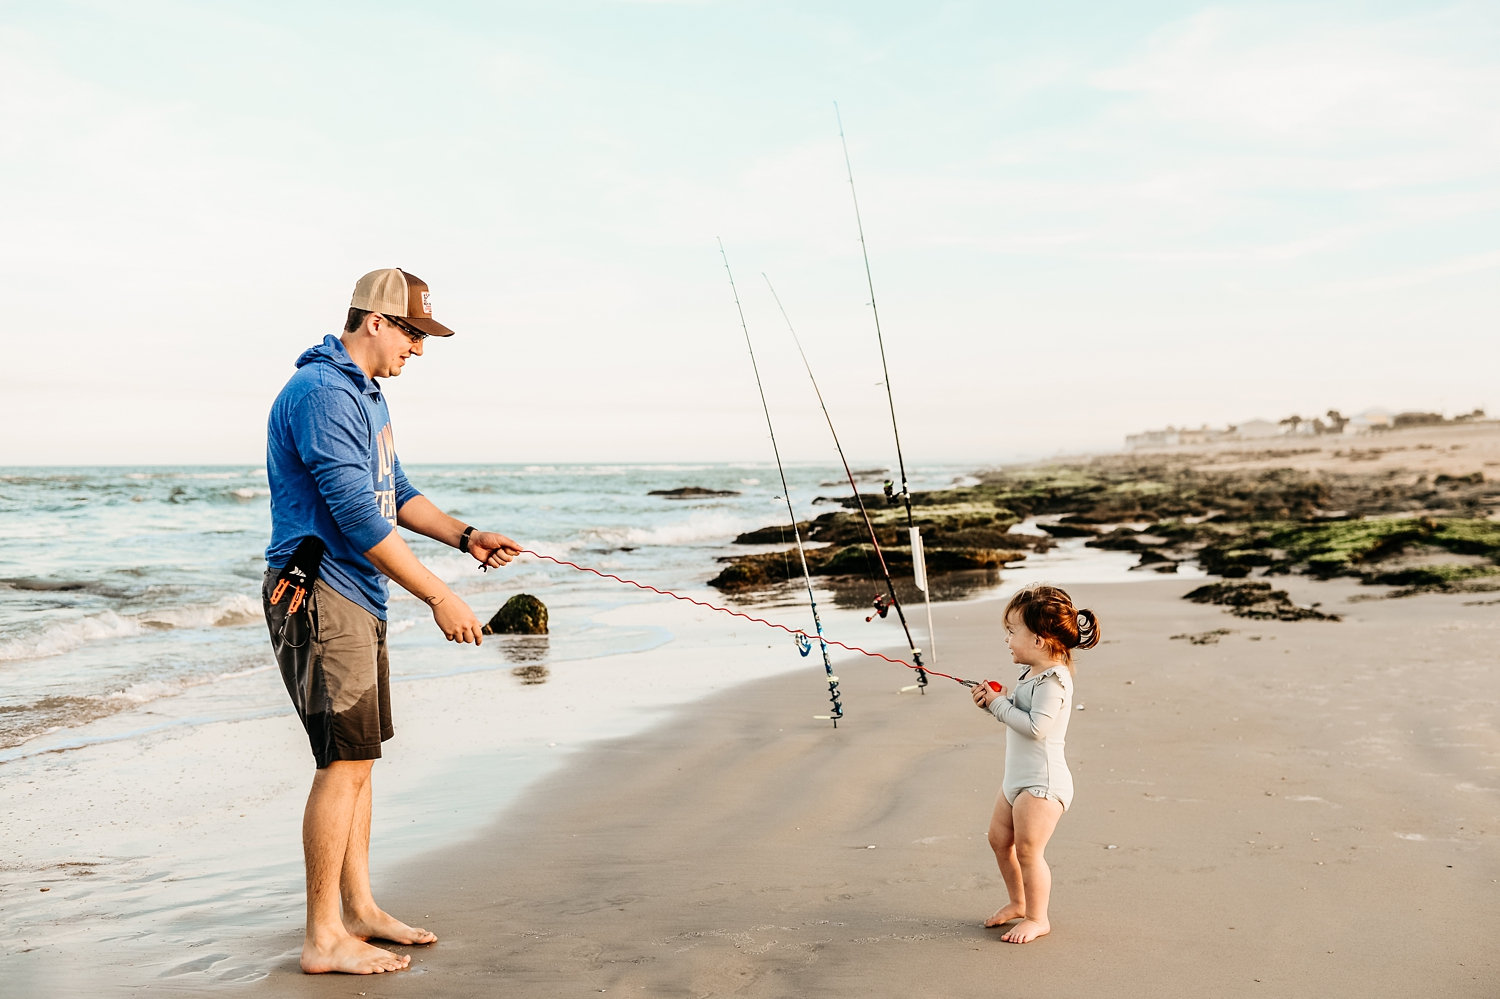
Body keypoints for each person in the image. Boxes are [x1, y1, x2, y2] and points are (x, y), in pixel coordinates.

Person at [262, 267, 522, 975]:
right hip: (319, 592)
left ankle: (361, 909)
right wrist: (440, 594)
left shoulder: (366, 395)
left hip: (358, 593)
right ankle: (322, 935)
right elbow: (352, 511)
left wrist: (467, 536)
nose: (419, 348)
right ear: (375, 321)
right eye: (413, 331)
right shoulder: (321, 393)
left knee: (360, 760)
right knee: (340, 762)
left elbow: (394, 492)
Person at [970, 583, 1099, 944]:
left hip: (1042, 784)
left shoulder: (1055, 681)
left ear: (1040, 640)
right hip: (1017, 779)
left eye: (1012, 632)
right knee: (999, 840)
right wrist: (997, 702)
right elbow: (1021, 713)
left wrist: (999, 705)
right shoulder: (1032, 674)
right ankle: (1018, 901)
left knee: (1028, 851)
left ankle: (1038, 918)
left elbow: (1037, 728)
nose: (1007, 640)